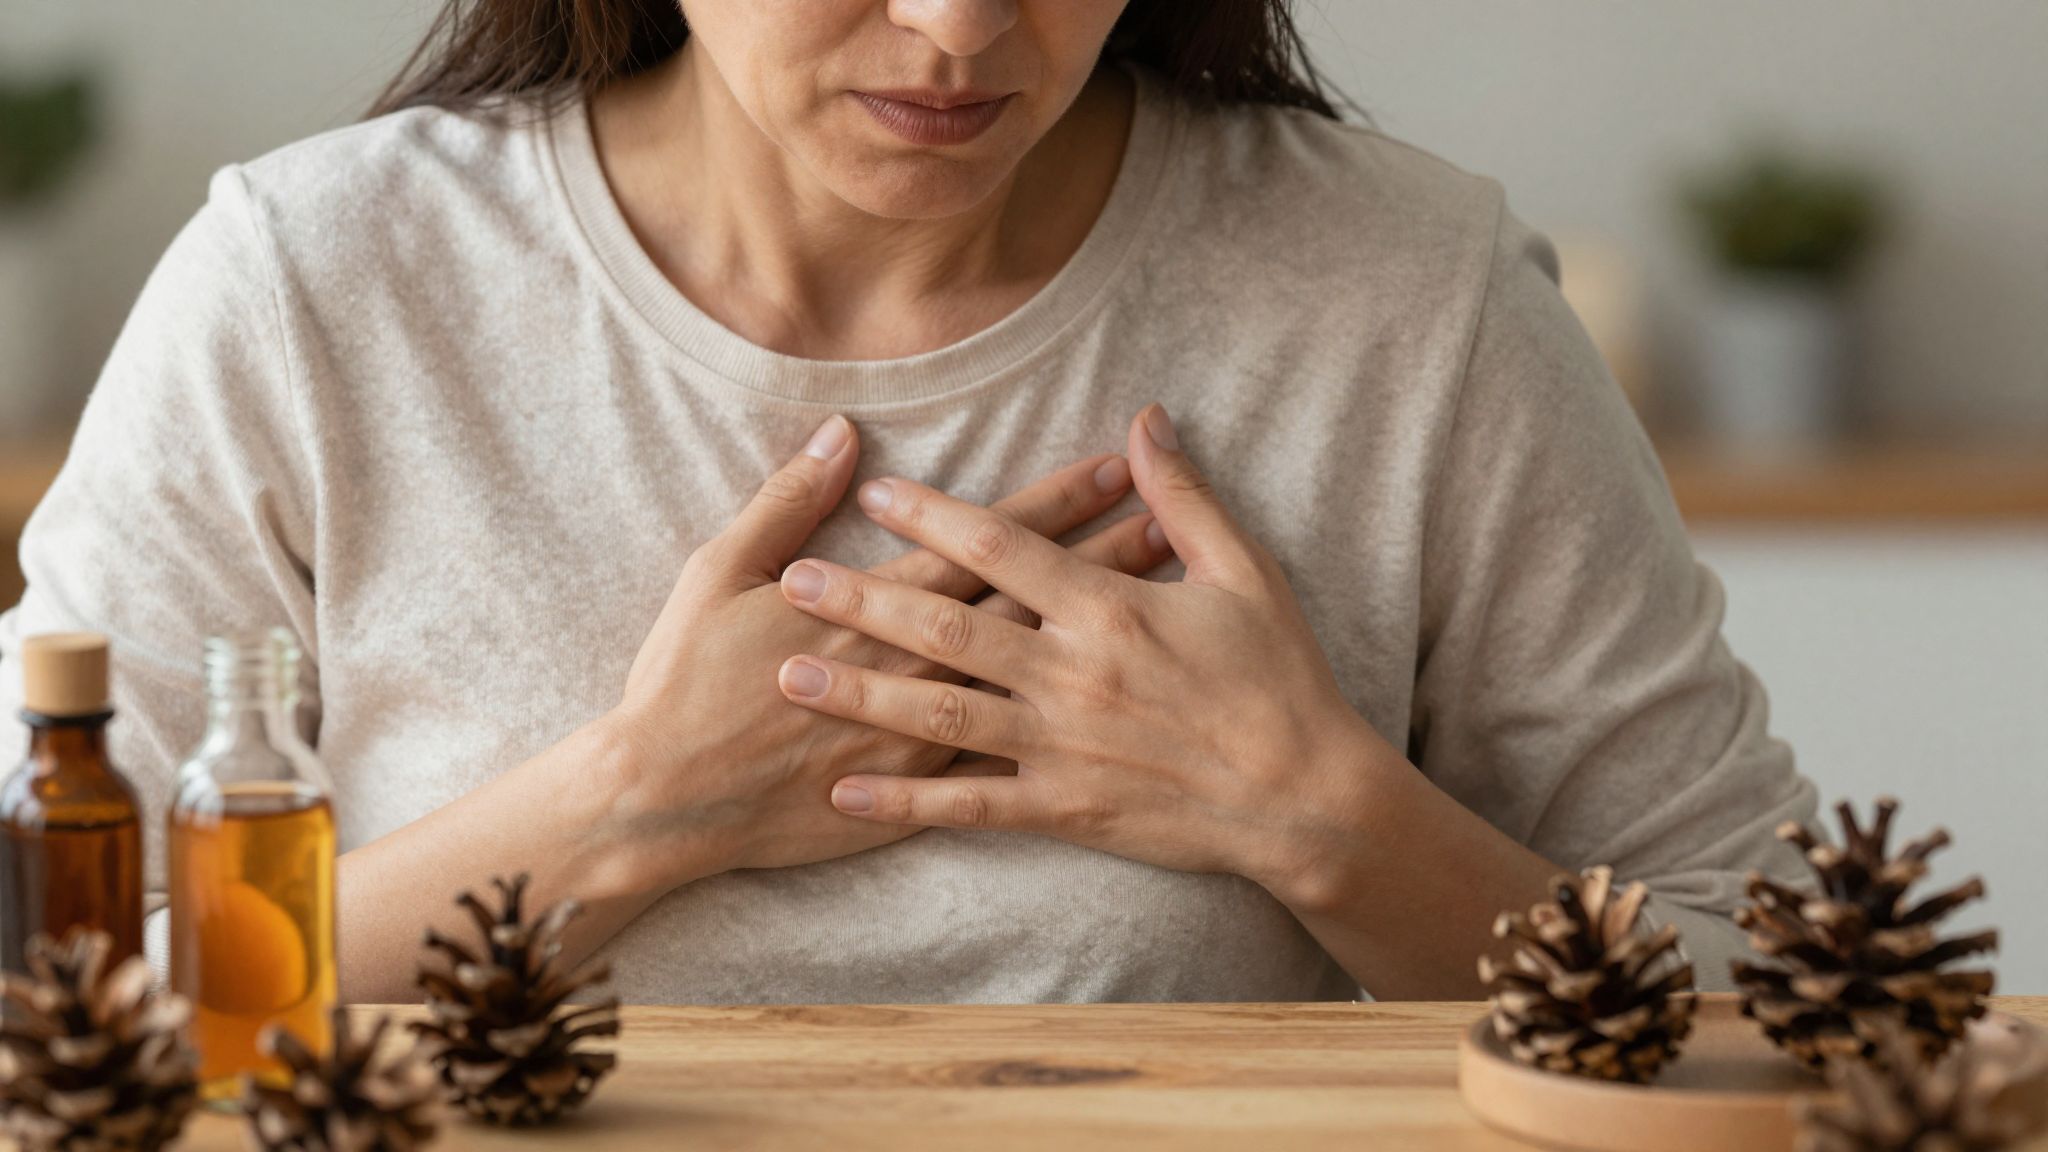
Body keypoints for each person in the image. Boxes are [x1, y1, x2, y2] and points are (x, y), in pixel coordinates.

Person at [0, 0, 1817, 1004]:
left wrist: (1320, 818)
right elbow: (39, 992)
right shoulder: (313, 290)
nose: (956, 29)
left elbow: (1777, 989)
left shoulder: (1413, 305)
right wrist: (634, 808)